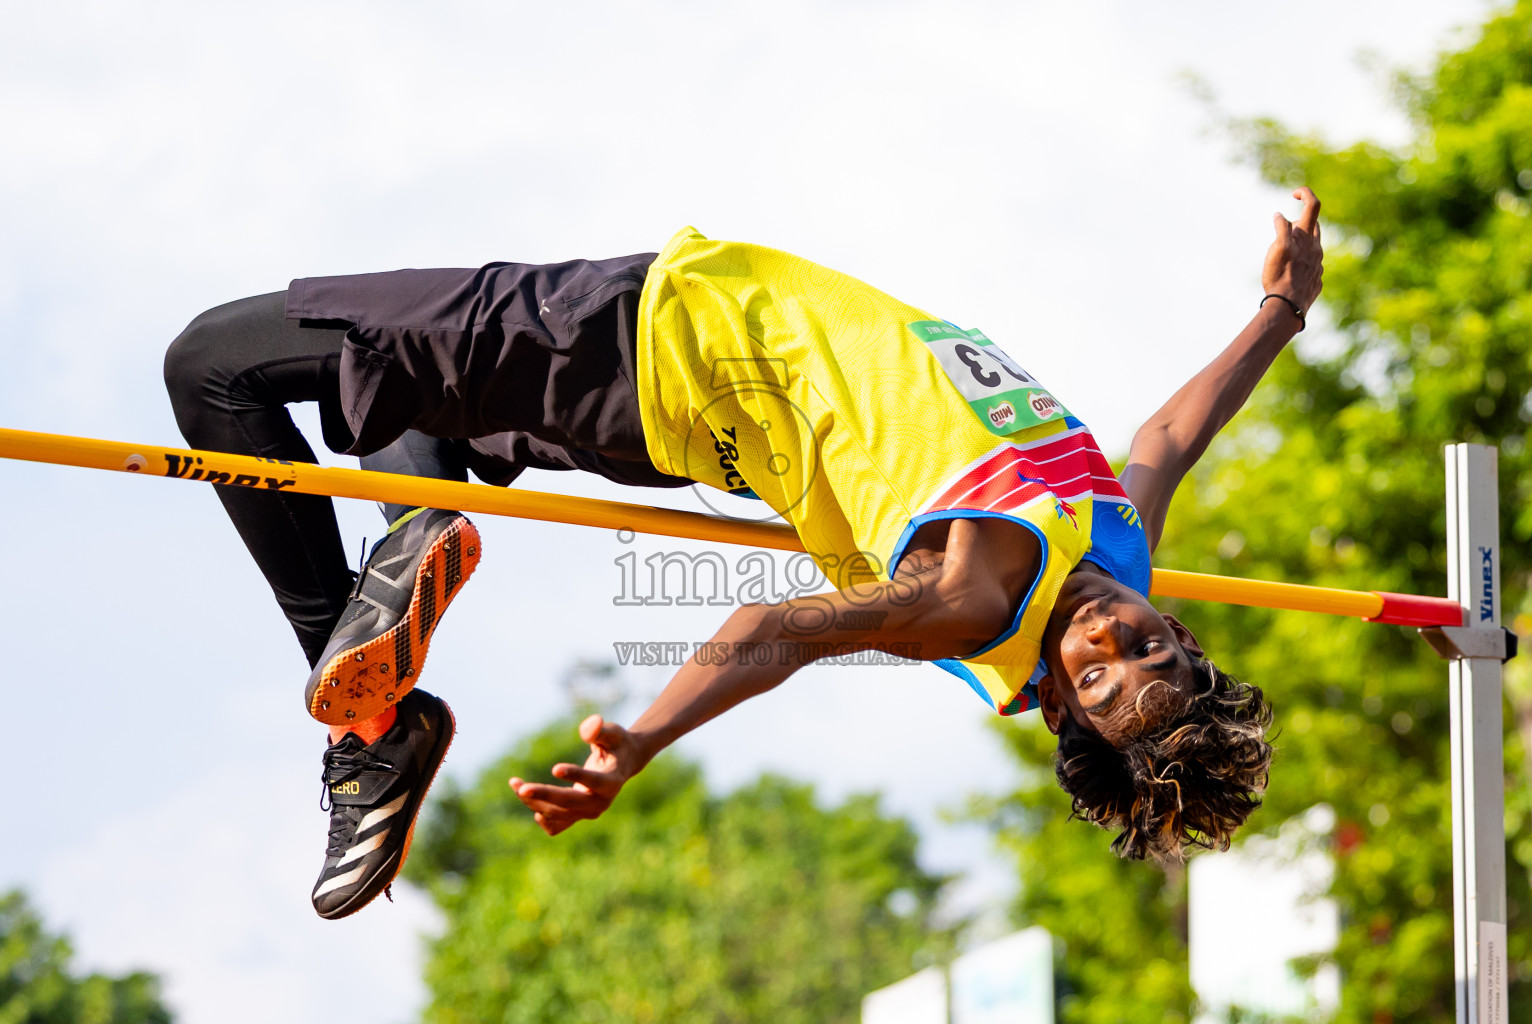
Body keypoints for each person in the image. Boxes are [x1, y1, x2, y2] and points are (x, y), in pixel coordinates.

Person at [163, 188, 1323, 919]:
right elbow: (1170, 437)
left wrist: (643, 745)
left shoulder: (978, 595)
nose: (1110, 641)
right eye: (1149, 647)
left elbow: (774, 631)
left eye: (1101, 685)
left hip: (636, 348)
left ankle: (372, 729)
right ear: (1177, 626)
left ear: (1063, 706)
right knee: (426, 434)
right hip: (685, 411)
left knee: (214, 365)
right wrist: (1281, 312)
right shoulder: (1116, 549)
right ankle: (405, 565)